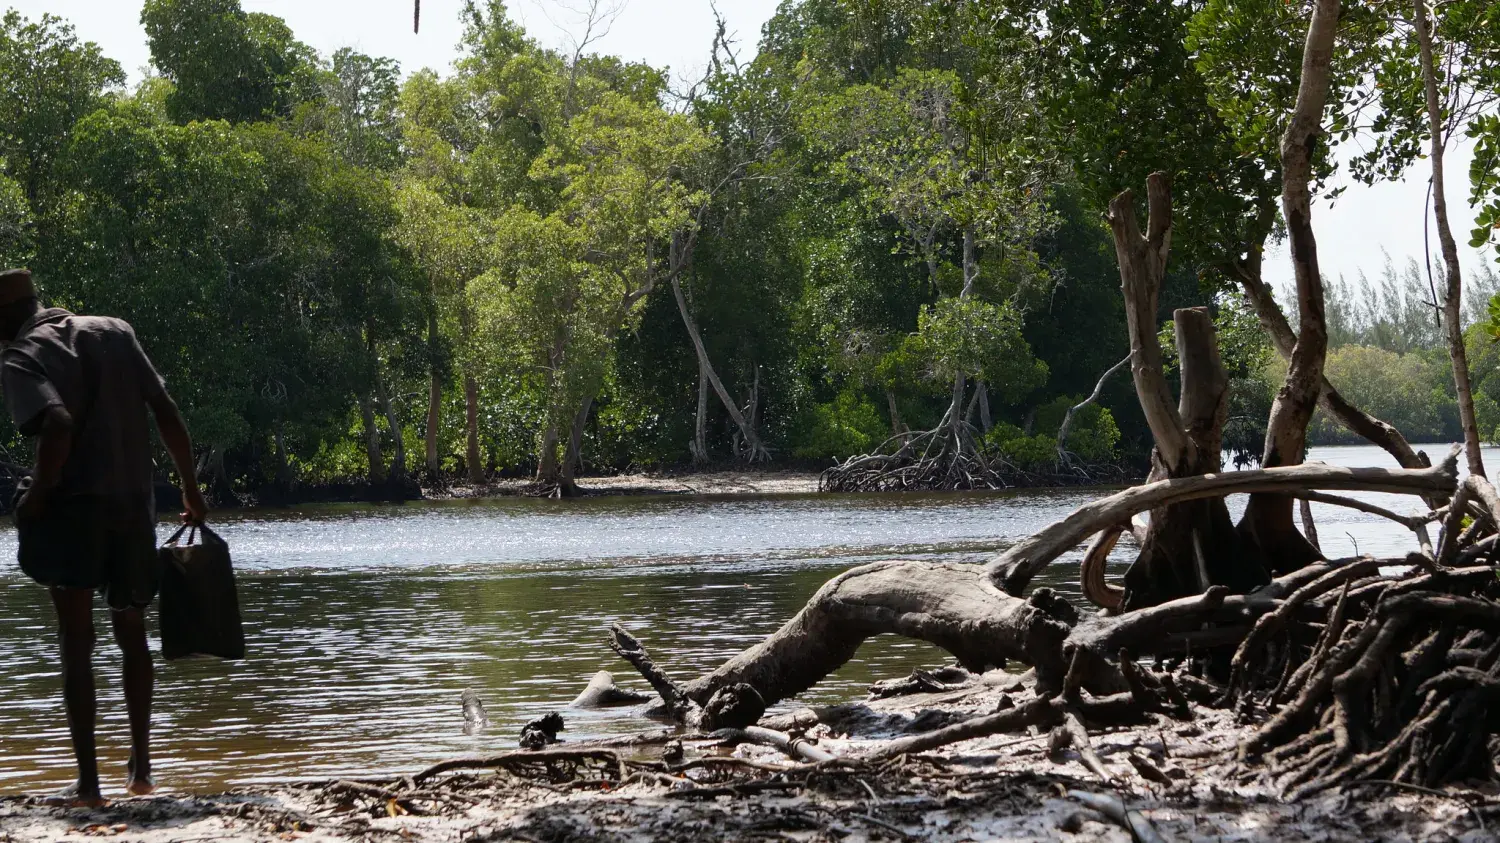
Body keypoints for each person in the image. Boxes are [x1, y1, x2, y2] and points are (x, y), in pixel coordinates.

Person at [0, 269, 208, 807]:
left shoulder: (22, 356)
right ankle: (141, 771)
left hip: (73, 516)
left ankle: (89, 785)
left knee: (77, 641)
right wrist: (189, 486)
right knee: (132, 632)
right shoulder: (115, 331)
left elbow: (59, 425)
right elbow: (166, 410)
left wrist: (39, 494)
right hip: (133, 509)